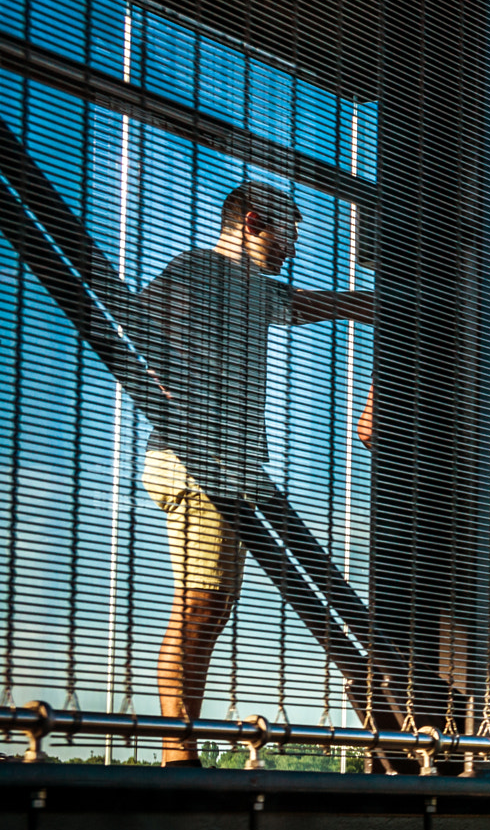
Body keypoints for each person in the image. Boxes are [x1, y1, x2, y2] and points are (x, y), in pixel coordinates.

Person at [136, 181, 376, 765]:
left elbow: (308, 304)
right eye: (289, 232)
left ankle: (180, 745)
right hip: (197, 462)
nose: (294, 246)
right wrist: (171, 390)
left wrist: (377, 304)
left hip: (231, 463)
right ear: (252, 221)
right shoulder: (198, 271)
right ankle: (176, 753)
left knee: (212, 607)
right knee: (200, 603)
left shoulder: (252, 289)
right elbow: (138, 322)